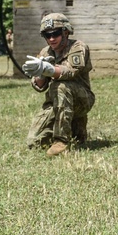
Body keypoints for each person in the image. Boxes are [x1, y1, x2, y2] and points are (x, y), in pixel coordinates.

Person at [23, 13, 94, 156]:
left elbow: (70, 72)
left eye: (55, 34)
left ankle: (61, 141)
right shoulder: (45, 52)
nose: (51, 38)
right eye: (47, 35)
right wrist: (40, 74)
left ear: (66, 32)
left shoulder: (78, 47)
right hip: (57, 100)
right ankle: (75, 129)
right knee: (34, 142)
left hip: (81, 98)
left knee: (60, 86)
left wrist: (49, 69)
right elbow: (39, 86)